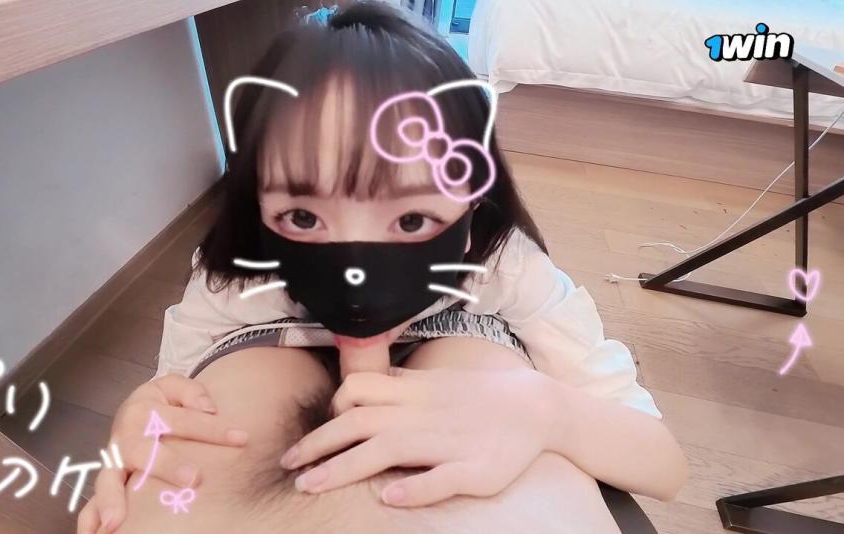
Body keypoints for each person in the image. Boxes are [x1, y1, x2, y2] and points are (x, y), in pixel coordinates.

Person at [77, 2, 687, 531]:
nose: (357, 271)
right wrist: (136, 424)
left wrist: (547, 409)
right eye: (303, 216)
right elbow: (168, 395)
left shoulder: (505, 270)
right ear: (255, 200)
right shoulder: (234, 280)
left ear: (475, 202)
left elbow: (664, 465)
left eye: (412, 219)